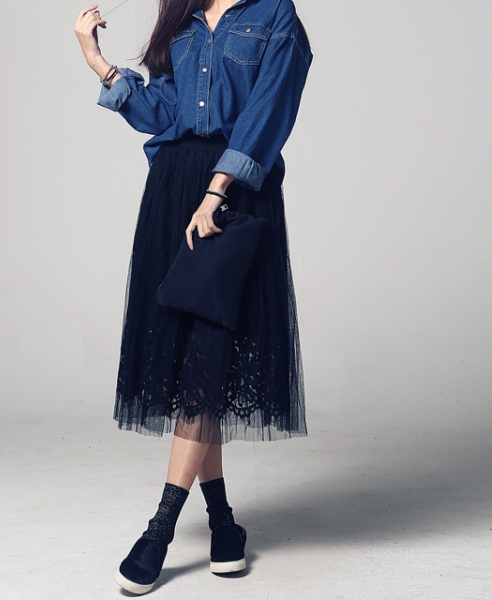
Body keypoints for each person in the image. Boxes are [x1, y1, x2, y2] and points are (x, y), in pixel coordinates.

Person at [74, 0, 312, 594]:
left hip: (231, 194)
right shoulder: (181, 19)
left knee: (209, 357)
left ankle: (160, 530)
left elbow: (269, 110)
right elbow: (164, 111)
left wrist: (217, 191)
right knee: (191, 366)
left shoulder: (275, 15)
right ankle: (224, 525)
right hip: (173, 189)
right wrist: (97, 61)